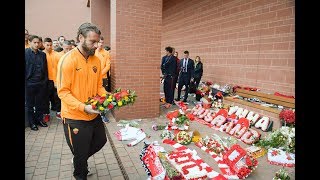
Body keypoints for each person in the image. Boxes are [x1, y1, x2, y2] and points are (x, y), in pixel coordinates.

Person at [56, 22, 108, 180]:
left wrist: (107, 97)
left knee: (100, 141)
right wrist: (83, 107)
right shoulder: (68, 60)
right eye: (93, 42)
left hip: (93, 113)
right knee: (80, 153)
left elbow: (99, 85)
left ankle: (79, 159)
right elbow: (63, 92)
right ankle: (80, 170)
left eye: (98, 41)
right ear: (80, 38)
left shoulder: (96, 60)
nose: (96, 45)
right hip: (74, 116)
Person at [25, 35, 49, 131]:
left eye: (38, 42)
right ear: (30, 42)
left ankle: (39, 120)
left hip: (41, 83)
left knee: (40, 104)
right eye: (34, 42)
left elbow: (45, 69)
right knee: (30, 104)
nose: (36, 44)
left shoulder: (42, 54)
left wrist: (45, 81)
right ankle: (32, 123)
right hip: (29, 83)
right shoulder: (25, 53)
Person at [43, 37, 61, 120]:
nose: (49, 47)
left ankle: (58, 112)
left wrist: (57, 80)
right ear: (44, 45)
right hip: (46, 80)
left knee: (57, 97)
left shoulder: (56, 54)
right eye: (47, 45)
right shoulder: (42, 54)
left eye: (50, 45)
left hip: (56, 79)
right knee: (46, 98)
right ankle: (46, 114)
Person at [95, 36, 111, 123]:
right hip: (94, 78)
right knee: (95, 96)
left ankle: (103, 114)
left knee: (103, 96)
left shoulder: (106, 53)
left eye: (102, 42)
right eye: (99, 42)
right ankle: (95, 113)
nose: (100, 44)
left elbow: (108, 65)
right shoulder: (93, 52)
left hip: (103, 78)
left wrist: (100, 74)